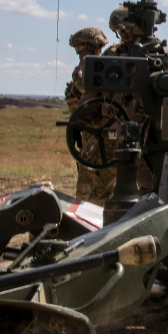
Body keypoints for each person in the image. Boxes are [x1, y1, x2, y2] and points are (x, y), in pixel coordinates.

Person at [103, 3, 168, 190]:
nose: (122, 35)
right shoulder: (111, 54)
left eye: (125, 29)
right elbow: (93, 94)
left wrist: (147, 53)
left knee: (150, 186)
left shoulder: (157, 50)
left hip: (145, 133)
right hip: (112, 130)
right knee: (99, 185)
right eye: (118, 31)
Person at [64, 27, 115, 204]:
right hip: (88, 133)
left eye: (80, 47)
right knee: (85, 182)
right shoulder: (87, 67)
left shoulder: (103, 69)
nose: (78, 52)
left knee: (100, 186)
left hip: (102, 136)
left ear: (92, 45)